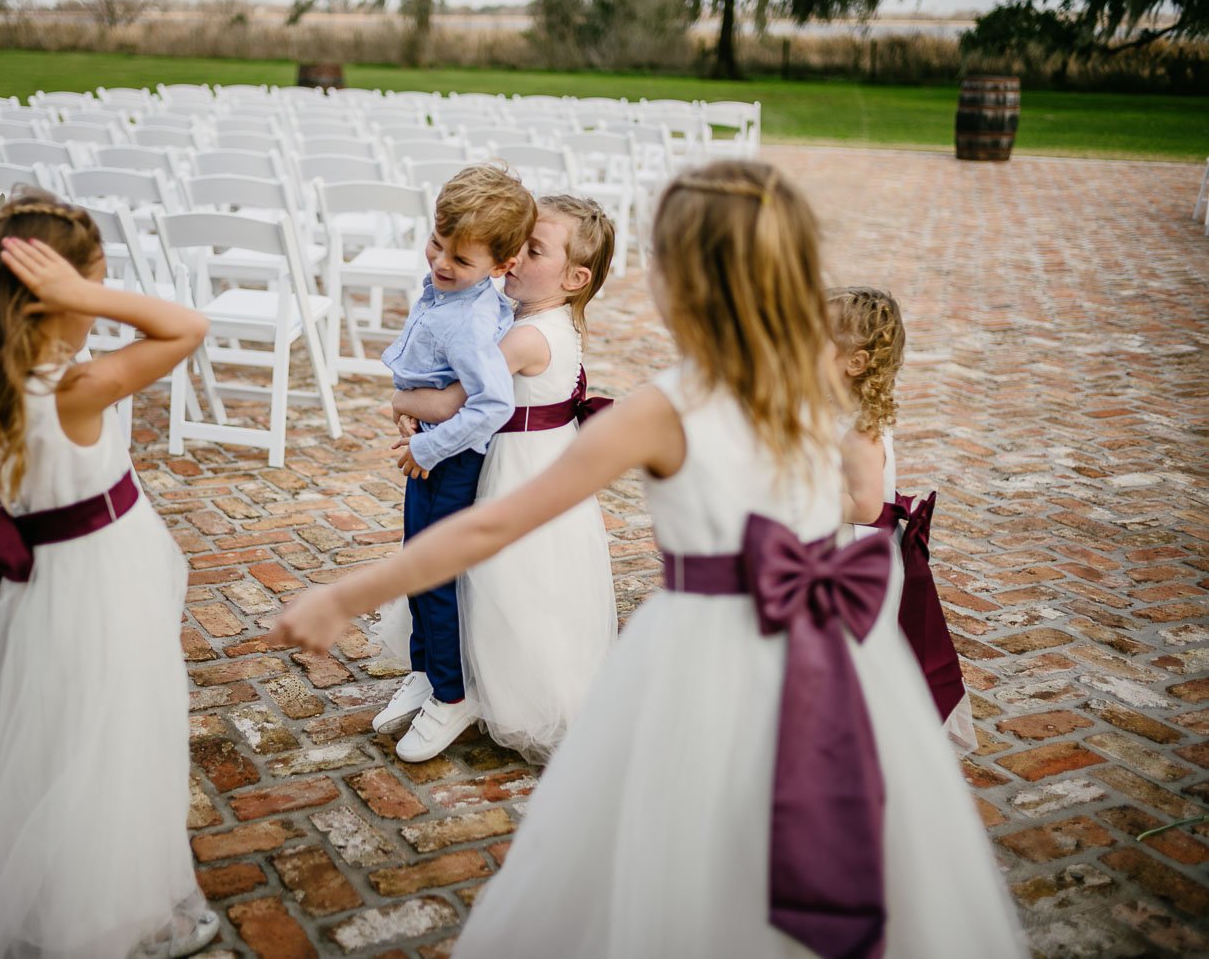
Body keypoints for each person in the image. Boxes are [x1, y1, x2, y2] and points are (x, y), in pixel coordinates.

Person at [272, 162, 1025, 958]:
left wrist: (347, 594)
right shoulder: (819, 390)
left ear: (683, 286)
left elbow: (488, 531)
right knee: (807, 844)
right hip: (836, 659)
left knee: (683, 854)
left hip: (703, 660)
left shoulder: (667, 409)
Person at [0, 192, 219, 959]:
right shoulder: (77, 390)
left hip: (37, 592)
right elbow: (189, 326)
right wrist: (91, 292)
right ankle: (100, 912)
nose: (95, 306)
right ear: (53, 300)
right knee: (110, 733)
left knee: (48, 732)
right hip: (101, 583)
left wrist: (76, 291)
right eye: (91, 287)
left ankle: (42, 877)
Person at [383, 195, 618, 763]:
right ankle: (442, 673)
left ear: (575, 277)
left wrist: (402, 397)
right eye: (516, 245)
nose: (513, 259)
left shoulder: (526, 337)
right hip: (519, 459)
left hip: (518, 471)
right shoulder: (534, 317)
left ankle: (462, 693)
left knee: (501, 584)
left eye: (533, 251)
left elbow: (450, 403)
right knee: (475, 580)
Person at [373, 164, 537, 763]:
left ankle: (451, 693)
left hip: (450, 463)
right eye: (437, 245)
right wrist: (410, 412)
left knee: (434, 575)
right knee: (416, 564)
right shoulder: (447, 286)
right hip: (431, 444)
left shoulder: (470, 319)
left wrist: (427, 446)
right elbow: (434, 372)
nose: (441, 263)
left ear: (500, 266)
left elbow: (491, 403)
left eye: (460, 260)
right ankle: (423, 670)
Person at [830, 285, 976, 751]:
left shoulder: (858, 432)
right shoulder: (838, 410)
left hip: (851, 558)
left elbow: (866, 505)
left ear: (854, 363)